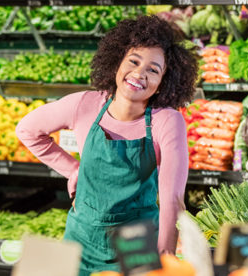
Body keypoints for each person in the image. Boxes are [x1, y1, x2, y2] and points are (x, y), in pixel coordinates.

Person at [16, 15, 198, 275]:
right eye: (133, 61)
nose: (139, 73)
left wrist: (166, 255)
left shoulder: (167, 121)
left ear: (163, 83)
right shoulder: (84, 105)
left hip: (137, 241)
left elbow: (171, 198)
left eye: (153, 70)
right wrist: (73, 170)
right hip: (83, 238)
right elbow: (27, 130)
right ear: (117, 62)